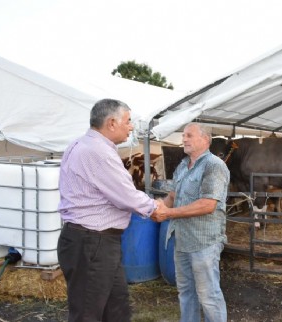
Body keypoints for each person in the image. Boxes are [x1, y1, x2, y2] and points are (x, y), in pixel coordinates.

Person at [57, 98, 163, 322]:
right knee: (88, 313)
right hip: (92, 242)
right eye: (128, 121)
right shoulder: (98, 152)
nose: (131, 126)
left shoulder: (82, 144)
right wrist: (157, 208)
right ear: (112, 123)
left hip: (96, 242)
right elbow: (126, 195)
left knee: (116, 308)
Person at [152, 122, 230, 322]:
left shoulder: (214, 166)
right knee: (186, 291)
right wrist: (157, 206)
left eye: (189, 135)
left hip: (204, 242)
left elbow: (207, 205)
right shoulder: (183, 165)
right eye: (183, 135)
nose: (184, 139)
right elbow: (172, 195)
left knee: (208, 295)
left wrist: (168, 214)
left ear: (205, 139)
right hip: (183, 239)